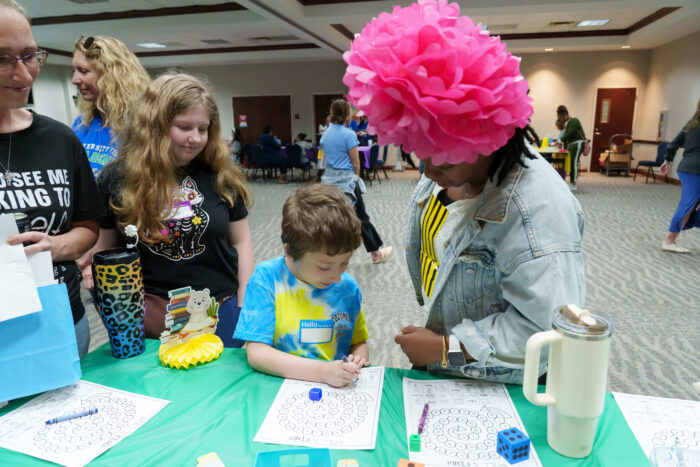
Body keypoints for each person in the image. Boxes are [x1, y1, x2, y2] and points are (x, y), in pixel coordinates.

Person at [344, 0, 585, 384]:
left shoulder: (538, 212)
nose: (429, 172)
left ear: (485, 139)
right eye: (420, 155)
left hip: (506, 383)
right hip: (451, 363)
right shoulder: (444, 162)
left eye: (442, 162)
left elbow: (547, 336)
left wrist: (445, 349)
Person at [82, 73, 254, 344]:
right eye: (184, 127)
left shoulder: (222, 175)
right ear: (155, 125)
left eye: (203, 128)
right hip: (150, 311)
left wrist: (245, 302)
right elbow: (105, 250)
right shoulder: (117, 178)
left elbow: (242, 241)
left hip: (221, 306)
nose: (196, 138)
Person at [1, 0, 104, 358]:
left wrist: (54, 246)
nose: (26, 75)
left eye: (30, 55)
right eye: (3, 59)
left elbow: (88, 225)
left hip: (62, 321)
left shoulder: (61, 139)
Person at [234, 184, 369, 387]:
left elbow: (358, 342)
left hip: (333, 392)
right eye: (324, 267)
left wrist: (358, 357)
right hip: (275, 389)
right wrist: (323, 372)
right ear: (290, 251)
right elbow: (257, 353)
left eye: (345, 263)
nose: (337, 277)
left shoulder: (347, 288)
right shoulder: (267, 279)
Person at [320, 99, 392, 264]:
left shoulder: (325, 135)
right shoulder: (349, 135)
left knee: (332, 219)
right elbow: (356, 164)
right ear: (346, 114)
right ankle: (375, 253)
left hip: (329, 182)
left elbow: (326, 159)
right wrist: (356, 179)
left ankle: (328, 253)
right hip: (347, 183)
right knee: (360, 217)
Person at [71, 35, 150, 177]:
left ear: (109, 74)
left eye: (83, 71)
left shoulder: (142, 126)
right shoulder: (81, 124)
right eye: (74, 71)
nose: (74, 80)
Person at [660, 98, 700, 254]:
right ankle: (669, 241)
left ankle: (674, 236)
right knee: (687, 205)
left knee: (690, 205)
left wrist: (668, 160)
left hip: (686, 168)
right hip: (695, 170)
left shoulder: (692, 123)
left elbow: (674, 143)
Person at [557, 105, 586, 190]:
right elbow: (567, 137)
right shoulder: (568, 123)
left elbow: (569, 134)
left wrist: (560, 140)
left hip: (577, 144)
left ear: (562, 115)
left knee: (574, 163)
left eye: (559, 117)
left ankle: (573, 183)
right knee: (571, 163)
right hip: (572, 145)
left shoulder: (573, 120)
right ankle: (572, 182)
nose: (560, 120)